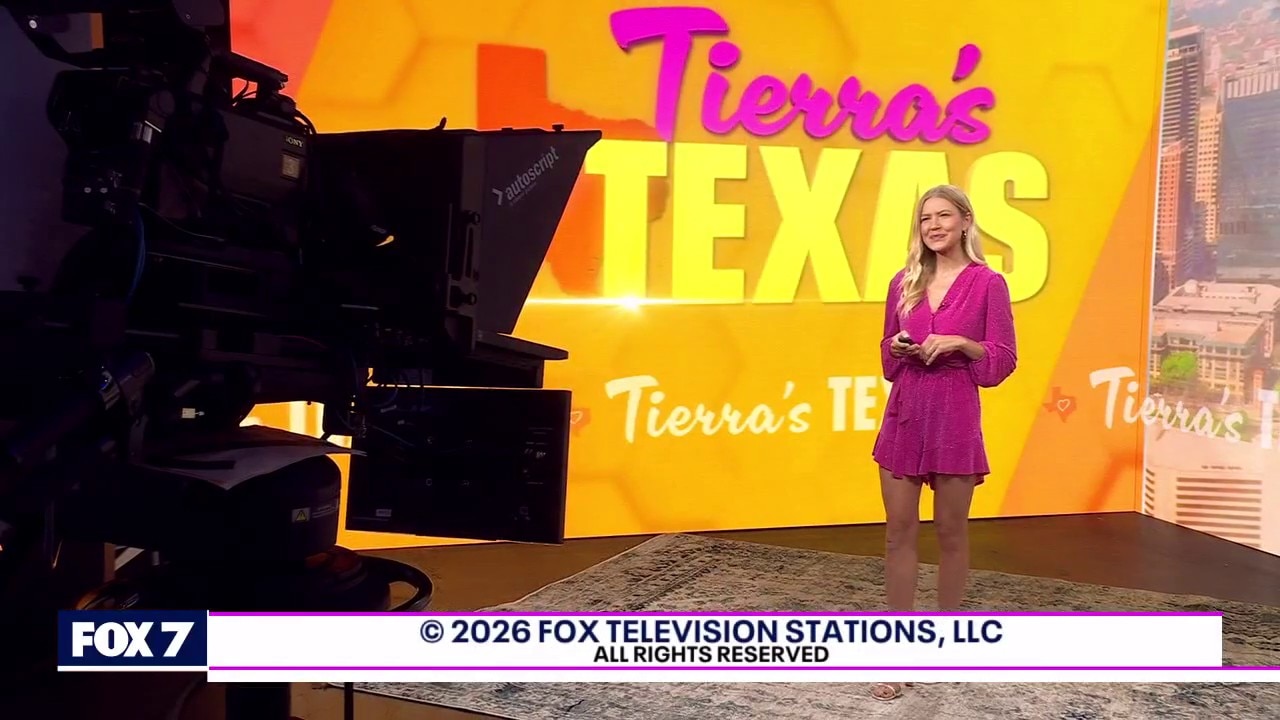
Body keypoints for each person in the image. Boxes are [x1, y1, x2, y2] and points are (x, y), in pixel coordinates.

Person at [868, 184, 1017, 702]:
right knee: (897, 535)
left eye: (943, 216)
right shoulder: (903, 281)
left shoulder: (988, 283)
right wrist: (897, 346)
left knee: (951, 534)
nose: (933, 226)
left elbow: (1002, 360)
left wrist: (963, 343)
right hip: (905, 415)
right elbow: (886, 357)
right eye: (925, 217)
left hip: (955, 416)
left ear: (965, 221)